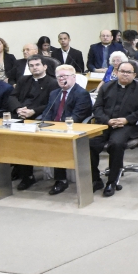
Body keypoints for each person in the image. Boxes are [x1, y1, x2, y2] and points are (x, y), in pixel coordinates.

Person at [89, 60, 138, 197]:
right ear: (116, 72)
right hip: (106, 124)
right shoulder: (106, 87)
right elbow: (97, 108)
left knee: (116, 144)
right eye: (122, 71)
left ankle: (112, 182)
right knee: (90, 143)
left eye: (129, 72)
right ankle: (95, 179)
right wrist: (107, 120)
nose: (125, 75)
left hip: (127, 125)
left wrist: (127, 119)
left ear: (134, 75)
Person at [3, 57, 59, 190]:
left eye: (38, 65)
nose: (35, 67)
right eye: (31, 65)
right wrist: (18, 108)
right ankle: (14, 166)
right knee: (4, 134)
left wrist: (32, 111)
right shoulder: (23, 80)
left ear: (45, 67)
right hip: (20, 113)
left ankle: (27, 175)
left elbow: (50, 104)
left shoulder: (52, 83)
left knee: (24, 142)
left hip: (37, 116)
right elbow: (12, 96)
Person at [40, 66, 94, 195]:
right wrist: (43, 124)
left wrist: (58, 128)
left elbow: (77, 117)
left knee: (57, 143)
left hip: (72, 130)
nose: (61, 79)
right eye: (59, 77)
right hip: (53, 128)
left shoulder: (81, 94)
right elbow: (48, 112)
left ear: (74, 77)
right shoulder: (54, 93)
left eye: (65, 76)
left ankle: (61, 180)